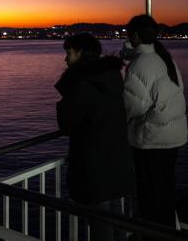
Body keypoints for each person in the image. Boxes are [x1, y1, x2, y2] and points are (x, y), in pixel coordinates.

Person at [55, 33, 135, 241]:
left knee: (100, 224)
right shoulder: (111, 77)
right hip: (116, 159)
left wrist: (66, 95)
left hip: (94, 165)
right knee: (116, 216)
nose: (66, 59)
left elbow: (67, 125)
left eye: (69, 52)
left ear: (80, 52)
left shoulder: (83, 85)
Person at [122, 14, 187, 231]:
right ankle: (169, 233)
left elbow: (132, 107)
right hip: (173, 137)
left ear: (136, 36)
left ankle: (154, 235)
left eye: (129, 33)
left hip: (152, 140)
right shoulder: (164, 58)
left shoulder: (139, 65)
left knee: (150, 198)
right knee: (165, 193)